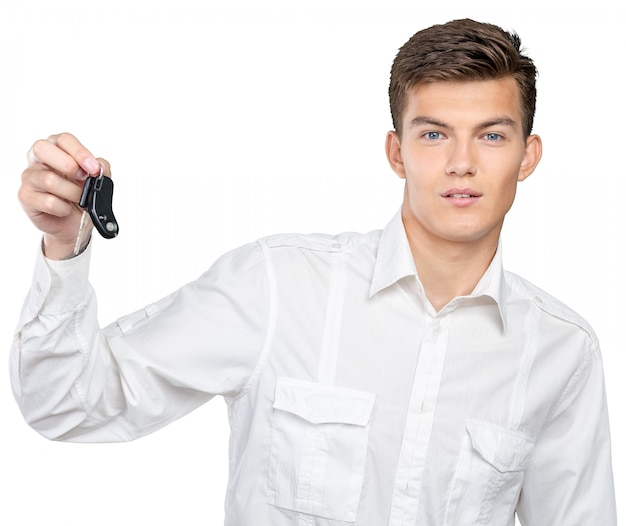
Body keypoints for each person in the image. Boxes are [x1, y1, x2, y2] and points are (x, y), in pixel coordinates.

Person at [10, 18, 616, 525]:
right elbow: (67, 403)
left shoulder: (561, 351)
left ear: (528, 155)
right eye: (434, 134)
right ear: (396, 152)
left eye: (491, 135)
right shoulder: (276, 286)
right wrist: (65, 246)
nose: (461, 163)